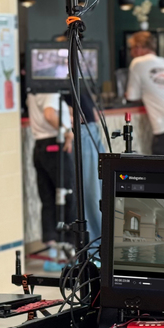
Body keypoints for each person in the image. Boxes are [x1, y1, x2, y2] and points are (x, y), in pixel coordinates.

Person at [27, 90, 75, 268]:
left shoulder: (33, 90)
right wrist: (67, 131)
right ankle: (69, 247)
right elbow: (49, 114)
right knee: (68, 195)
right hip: (55, 145)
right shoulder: (50, 88)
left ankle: (52, 248)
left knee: (48, 199)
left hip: (39, 146)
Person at [66, 87, 106, 245]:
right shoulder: (58, 81)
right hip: (83, 131)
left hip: (91, 130)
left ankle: (102, 241)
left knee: (100, 190)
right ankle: (94, 245)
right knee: (91, 194)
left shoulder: (76, 81)